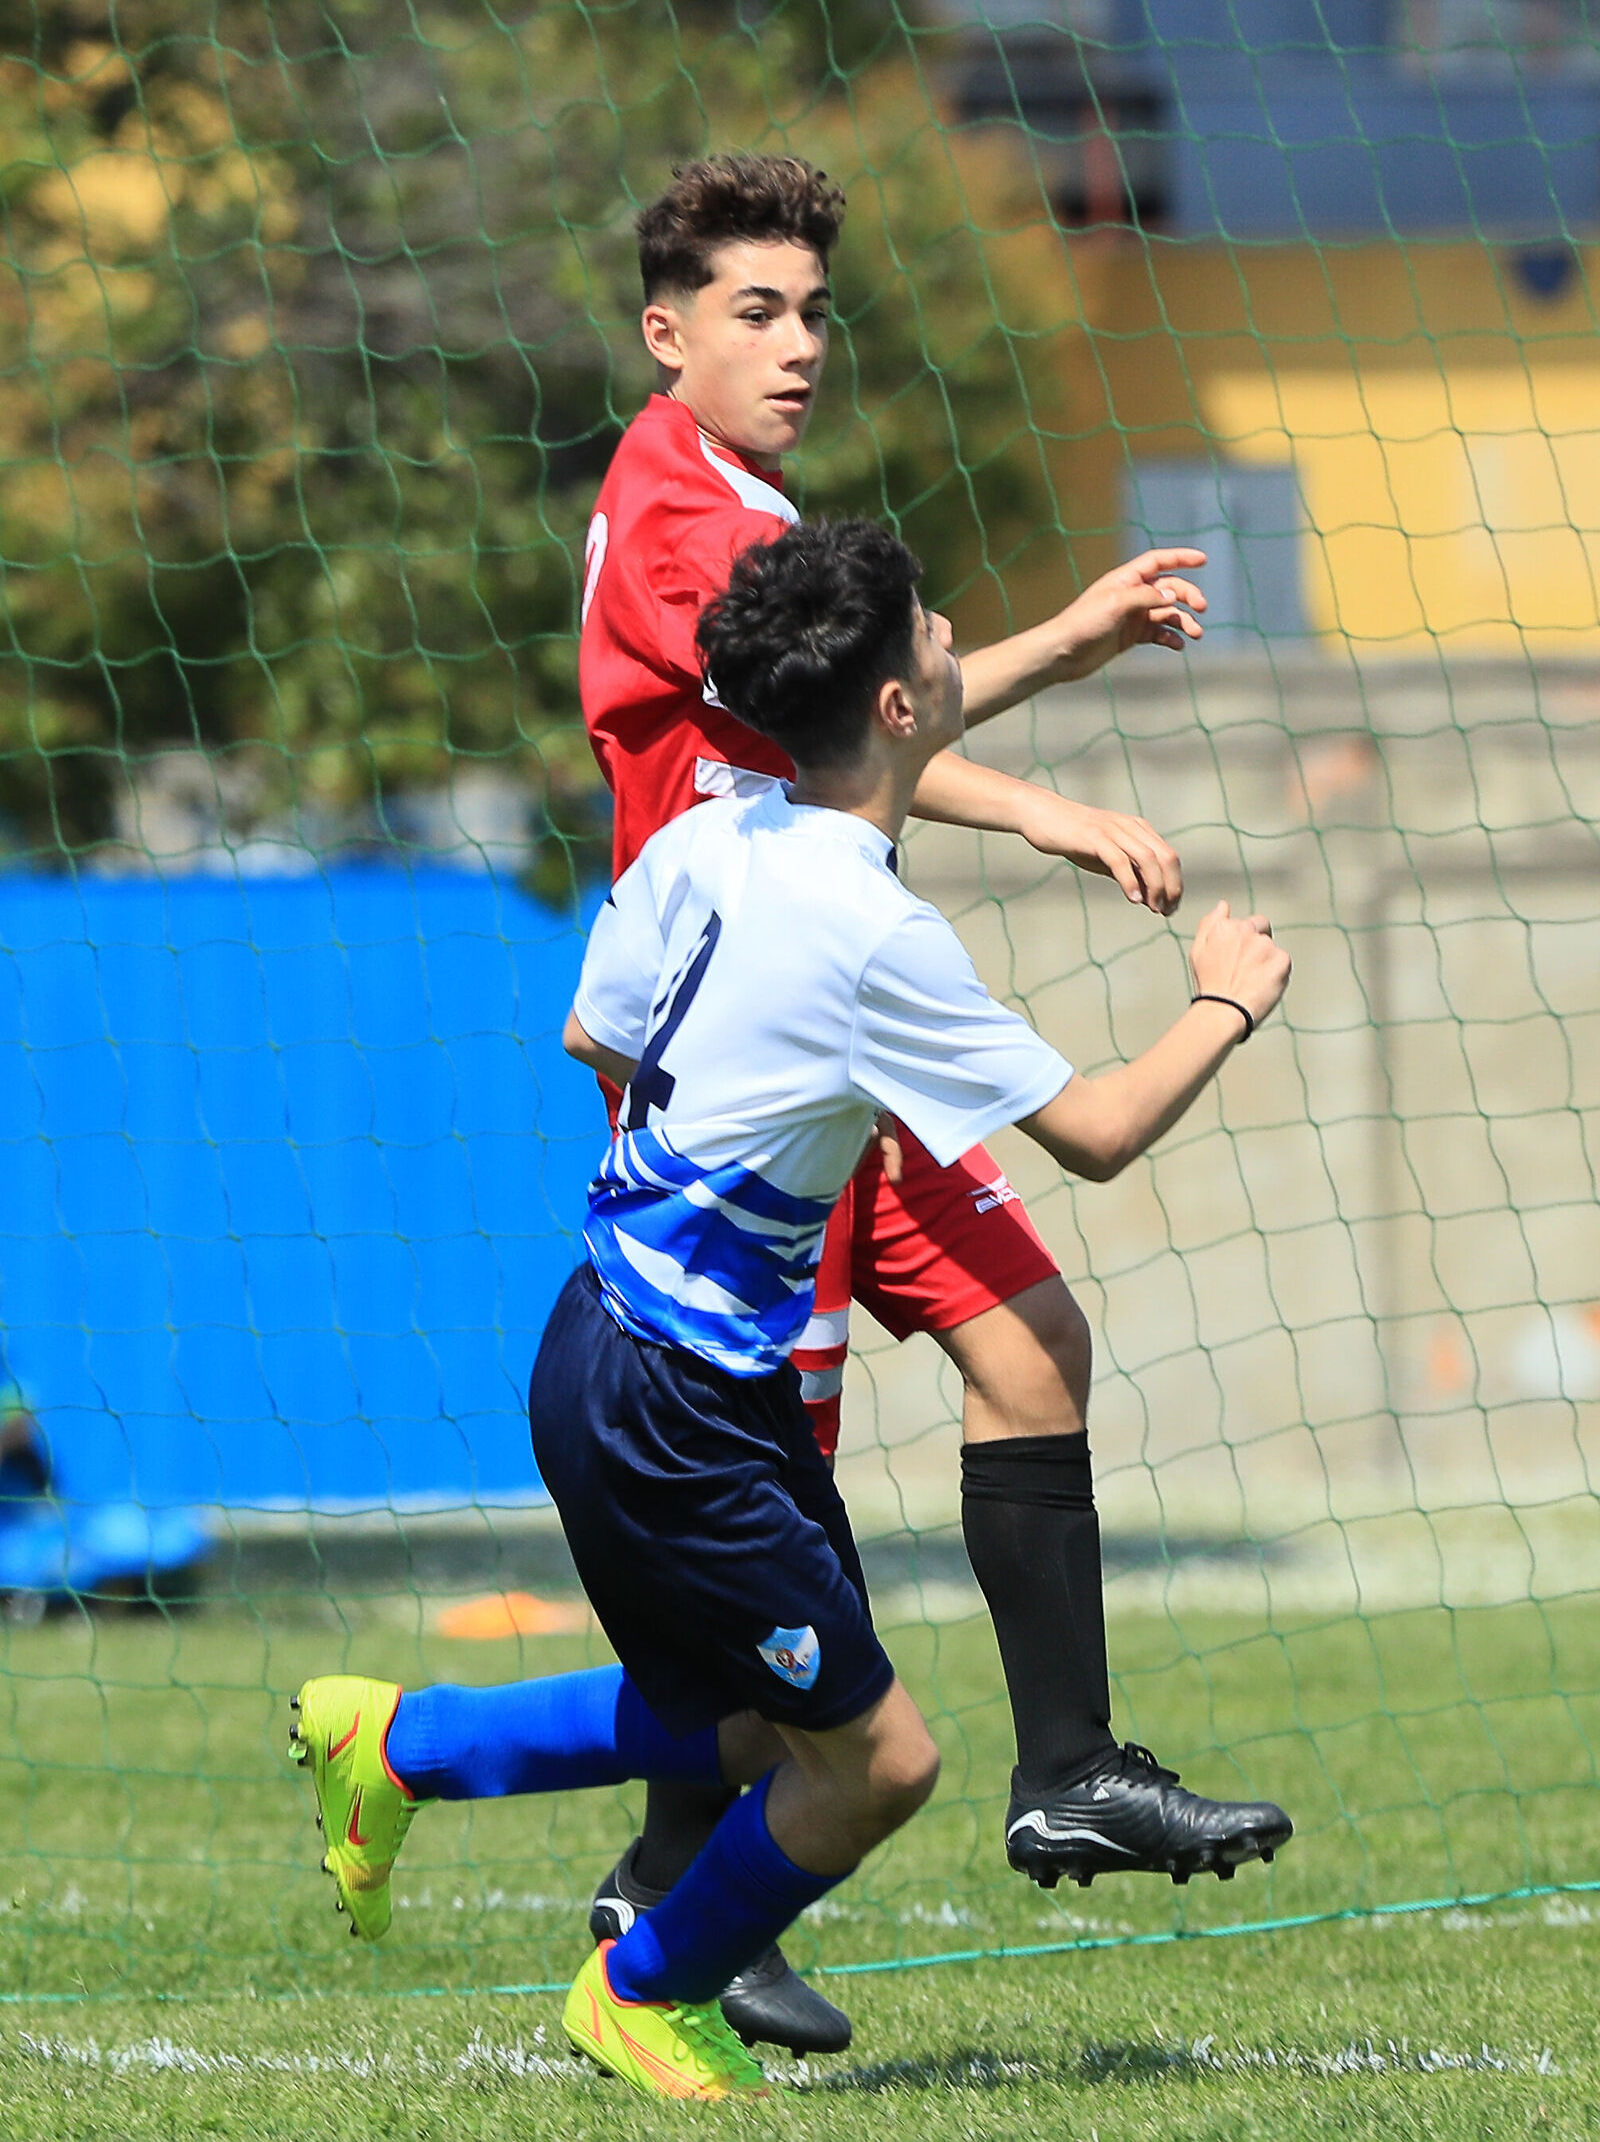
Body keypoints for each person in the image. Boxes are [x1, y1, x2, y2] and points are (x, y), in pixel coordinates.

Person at [289, 517, 1293, 2105]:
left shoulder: (707, 831)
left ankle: (398, 1748)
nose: (958, 638)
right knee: (883, 1762)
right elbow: (1097, 1134)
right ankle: (647, 1984)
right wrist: (1226, 998)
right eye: (941, 632)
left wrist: (724, 1166)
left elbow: (591, 1035)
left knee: (753, 1731)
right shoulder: (872, 929)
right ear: (897, 706)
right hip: (678, 1405)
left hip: (609, 1339)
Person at [574, 150, 1279, 2052]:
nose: (798, 345)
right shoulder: (670, 518)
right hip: (759, 1075)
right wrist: (1048, 784)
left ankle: (1068, 1768)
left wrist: (1067, 643)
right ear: (668, 332)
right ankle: (671, 1886)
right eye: (756, 310)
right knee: (770, 1504)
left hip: (810, 1045)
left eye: (813, 310)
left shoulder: (736, 491)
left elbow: (878, 708)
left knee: (1029, 1342)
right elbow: (840, 720)